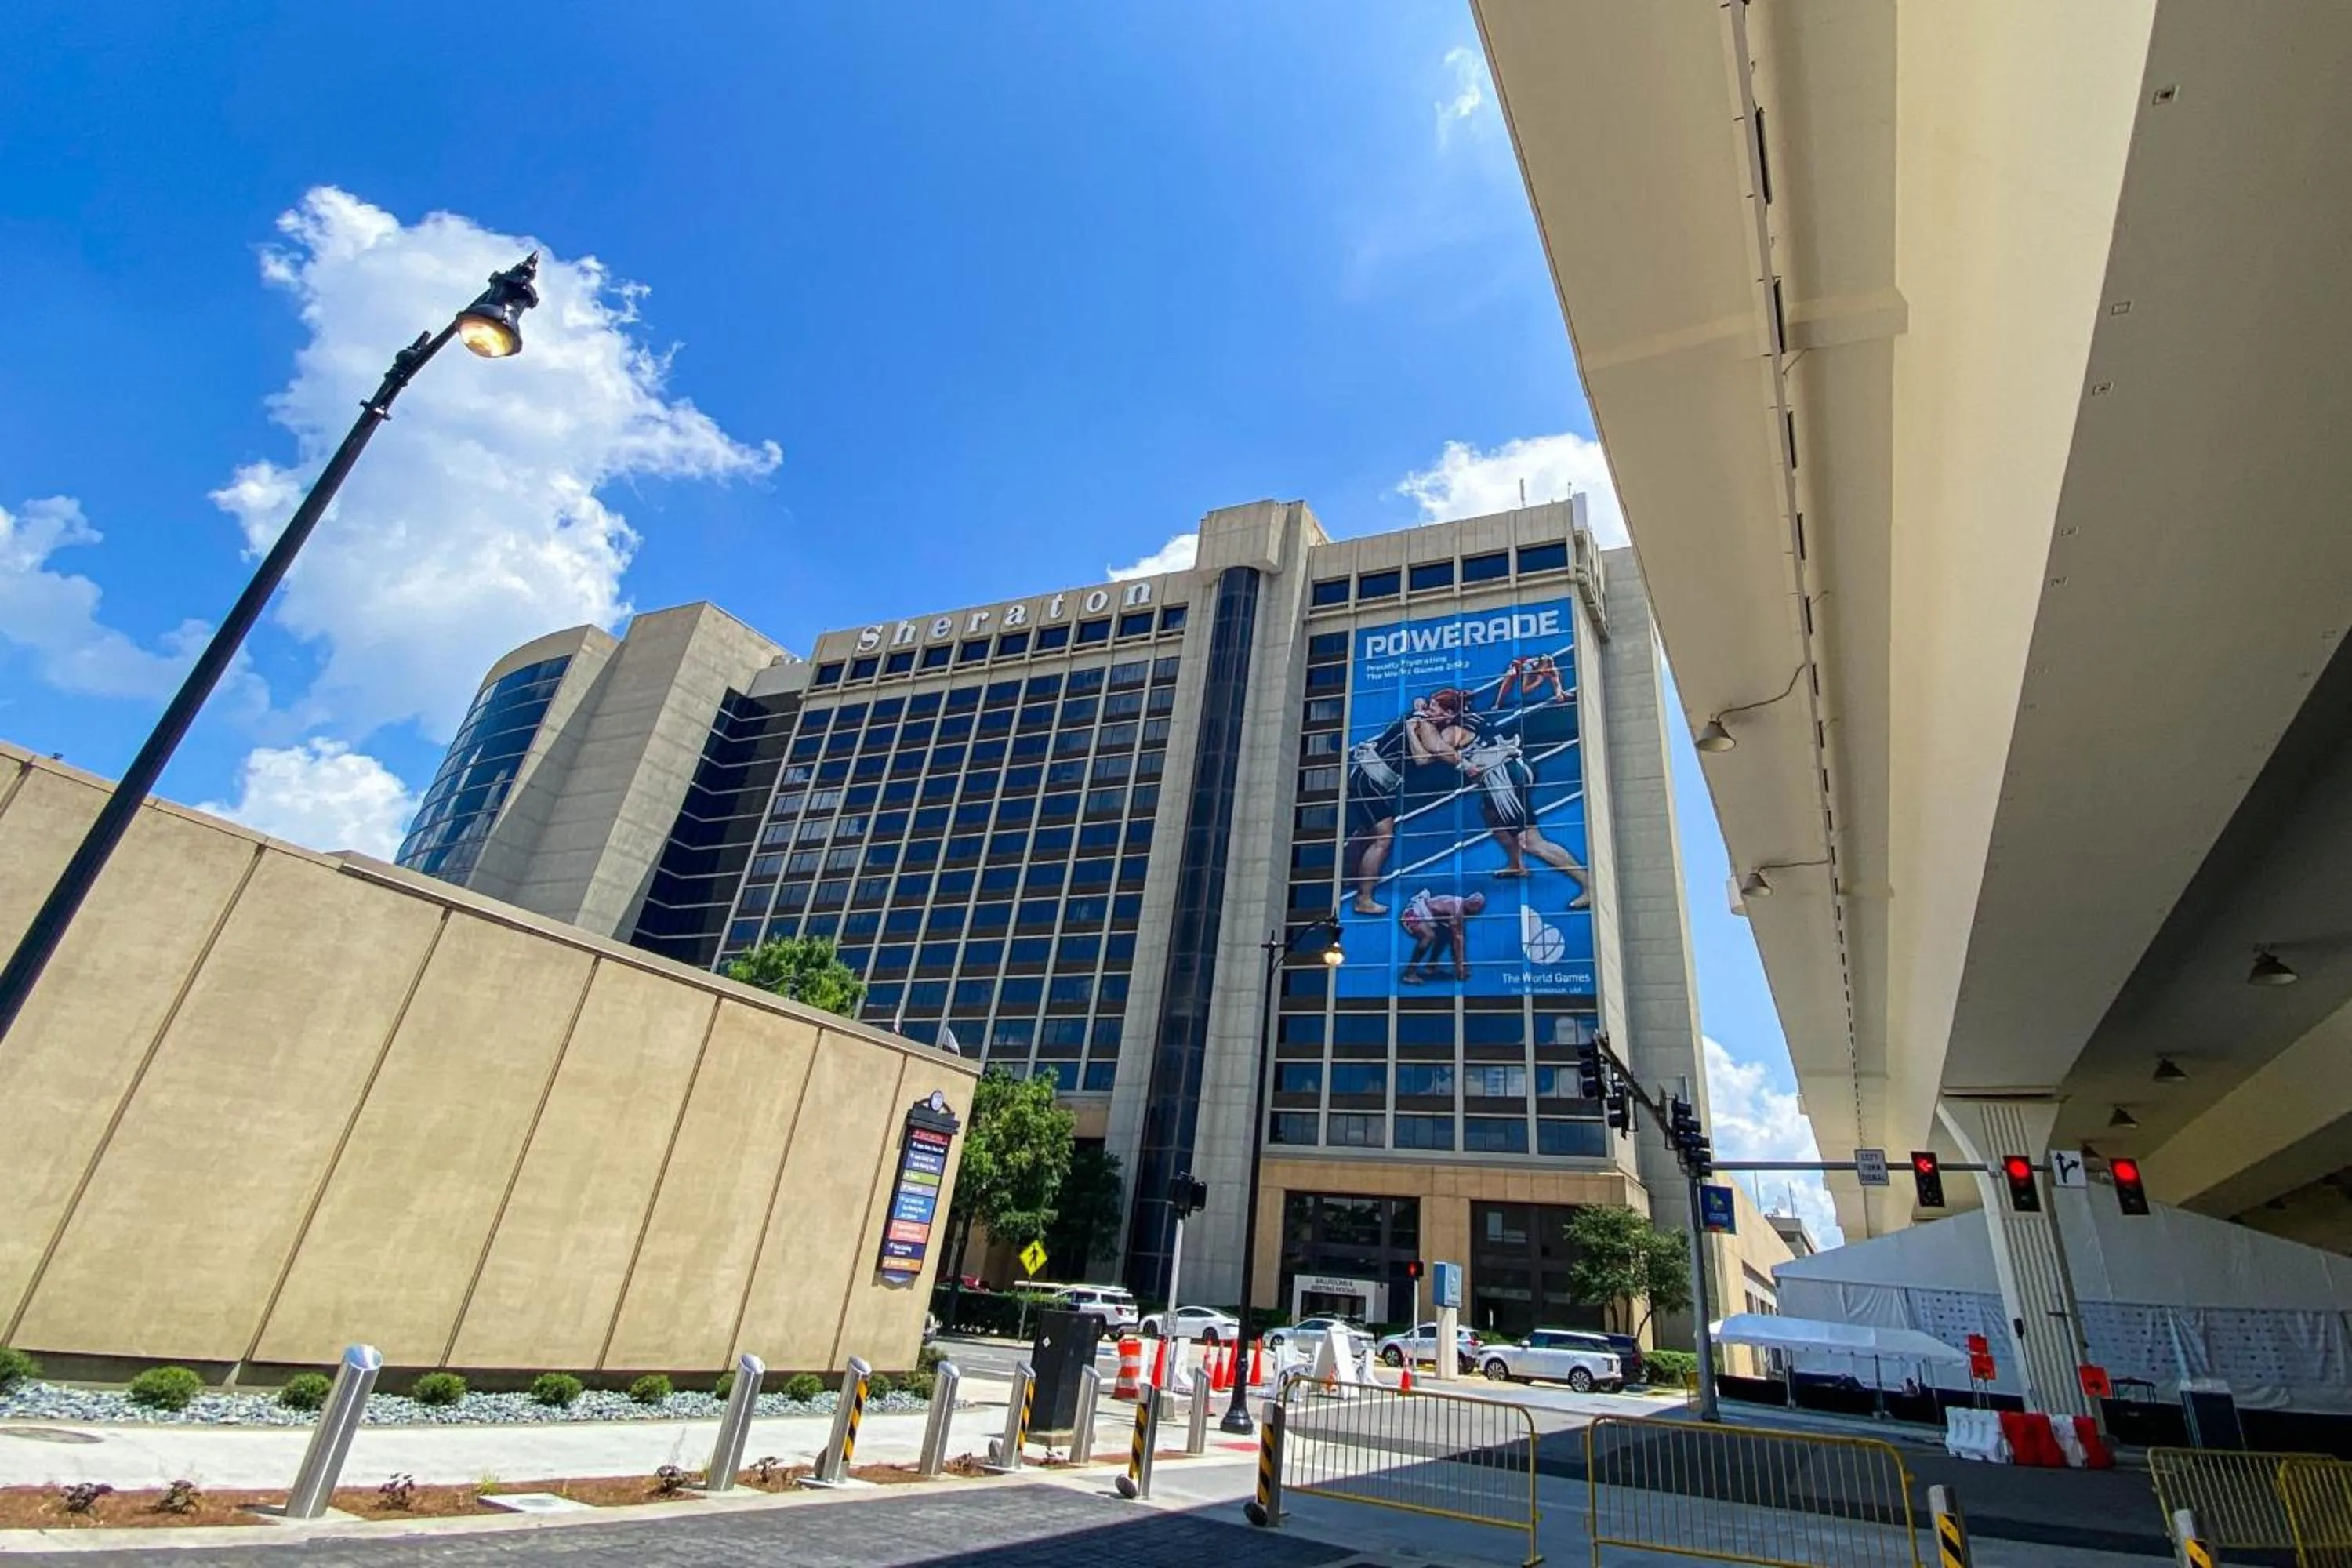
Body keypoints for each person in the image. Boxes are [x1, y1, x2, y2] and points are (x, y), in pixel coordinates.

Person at [1442, 695, 1591, 910]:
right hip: (1515, 768)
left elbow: (1431, 753)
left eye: (1433, 708)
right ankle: (1516, 865)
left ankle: (1589, 884)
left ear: (1449, 712)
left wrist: (1416, 729)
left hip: (1502, 778)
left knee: (1530, 841)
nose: (1429, 712)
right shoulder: (1472, 718)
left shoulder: (1449, 731)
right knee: (1490, 812)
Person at [1343, 688, 1479, 915]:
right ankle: (1363, 898)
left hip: (1368, 777)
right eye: (1430, 706)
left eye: (1432, 706)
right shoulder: (1424, 724)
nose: (1428, 709)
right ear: (1447, 714)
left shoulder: (1419, 717)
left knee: (1365, 831)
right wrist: (1466, 766)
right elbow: (1431, 754)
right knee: (1383, 838)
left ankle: (1351, 876)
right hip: (1369, 780)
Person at [1399, 889, 1486, 983]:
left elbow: (1457, 939)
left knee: (1445, 934)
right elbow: (1458, 942)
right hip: (1412, 913)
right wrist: (1460, 969)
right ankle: (1409, 973)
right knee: (1429, 936)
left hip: (1423, 914)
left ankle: (1431, 966)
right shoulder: (1457, 913)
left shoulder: (1459, 903)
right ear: (1473, 909)